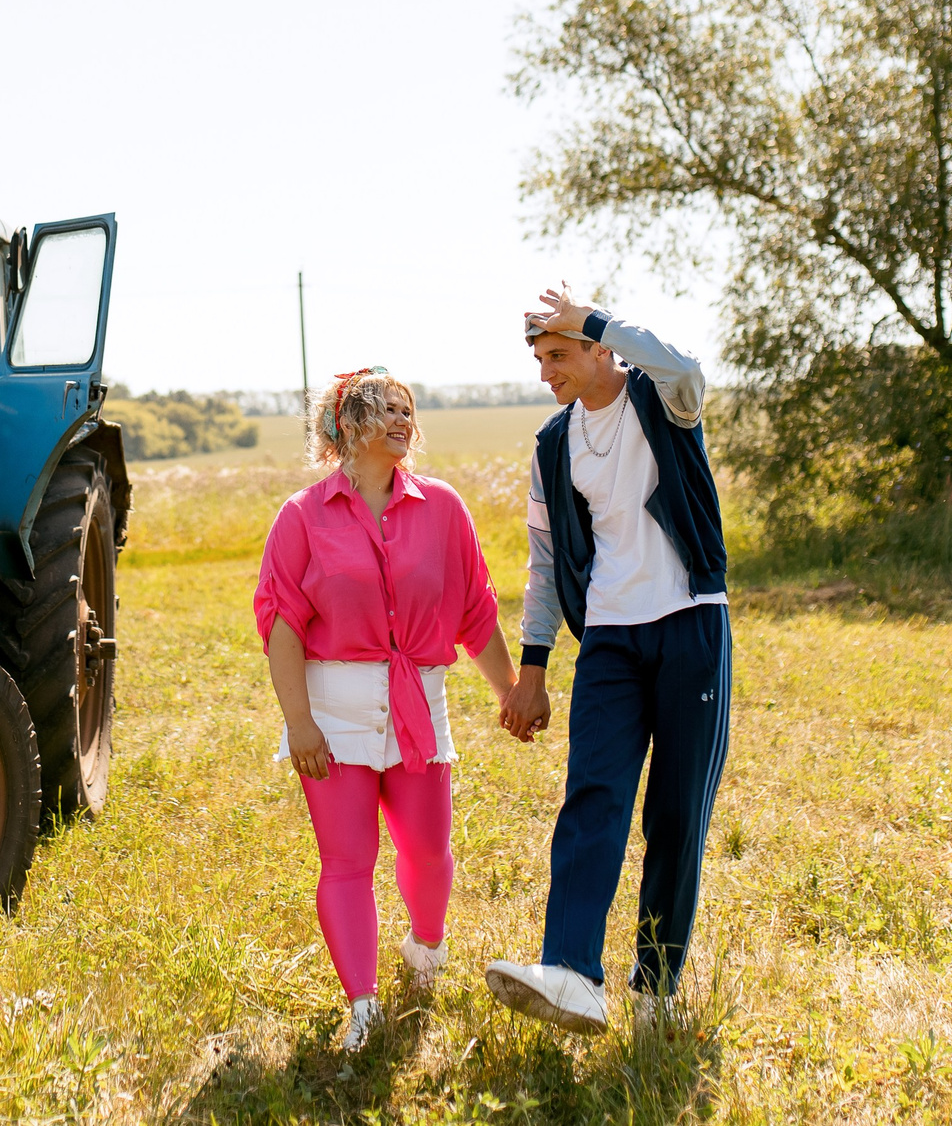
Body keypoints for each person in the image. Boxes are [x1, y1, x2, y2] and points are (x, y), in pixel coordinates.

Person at [254, 367, 525, 1052]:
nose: (404, 421)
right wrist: (300, 722)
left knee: (429, 851)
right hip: (333, 710)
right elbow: (282, 626)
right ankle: (363, 1004)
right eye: (386, 409)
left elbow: (475, 613)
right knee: (347, 859)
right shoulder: (301, 515)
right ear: (346, 425)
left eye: (408, 409)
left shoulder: (443, 507)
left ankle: (426, 949)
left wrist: (511, 690)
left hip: (418, 704)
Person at [484, 290, 731, 1035]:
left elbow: (685, 365)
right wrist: (534, 664)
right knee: (592, 796)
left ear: (599, 349)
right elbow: (546, 557)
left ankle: (656, 989)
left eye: (557, 354)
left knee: (675, 814)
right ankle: (571, 972)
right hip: (612, 641)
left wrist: (595, 316)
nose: (545, 372)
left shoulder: (665, 402)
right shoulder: (551, 444)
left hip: (690, 625)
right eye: (539, 358)